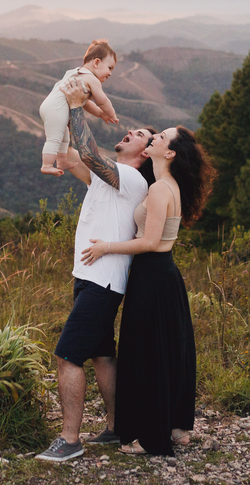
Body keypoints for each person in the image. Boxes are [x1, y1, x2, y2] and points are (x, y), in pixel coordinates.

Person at [34, 80, 154, 463]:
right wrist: (61, 114)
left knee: (69, 355)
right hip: (90, 277)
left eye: (141, 136)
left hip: (103, 281)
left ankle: (70, 441)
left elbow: (88, 152)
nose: (131, 132)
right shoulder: (109, 179)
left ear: (146, 155)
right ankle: (118, 426)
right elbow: (75, 158)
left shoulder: (132, 179)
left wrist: (74, 108)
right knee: (103, 355)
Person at [80, 124, 215, 456]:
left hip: (152, 278)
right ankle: (174, 427)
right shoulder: (165, 185)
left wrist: (107, 247)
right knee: (165, 352)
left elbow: (151, 242)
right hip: (162, 277)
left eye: (161, 137)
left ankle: (151, 438)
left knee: (146, 354)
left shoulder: (160, 190)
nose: (154, 137)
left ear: (168, 153)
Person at [38, 38, 119, 176]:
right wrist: (111, 114)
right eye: (109, 68)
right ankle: (46, 165)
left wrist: (100, 114)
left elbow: (85, 103)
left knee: (64, 138)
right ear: (97, 62)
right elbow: (103, 101)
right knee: (54, 138)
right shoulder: (92, 79)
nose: (110, 73)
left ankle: (62, 161)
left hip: (51, 107)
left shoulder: (75, 73)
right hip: (56, 110)